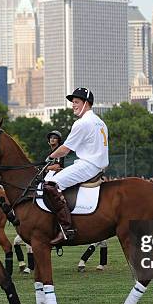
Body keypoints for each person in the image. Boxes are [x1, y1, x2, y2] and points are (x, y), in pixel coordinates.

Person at [43, 87, 109, 245]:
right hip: (97, 166)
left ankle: (66, 229)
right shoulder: (100, 122)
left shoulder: (82, 123)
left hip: (88, 165)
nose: (73, 105)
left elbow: (65, 149)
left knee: (51, 184)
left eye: (76, 102)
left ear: (86, 103)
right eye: (72, 102)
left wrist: (48, 158)